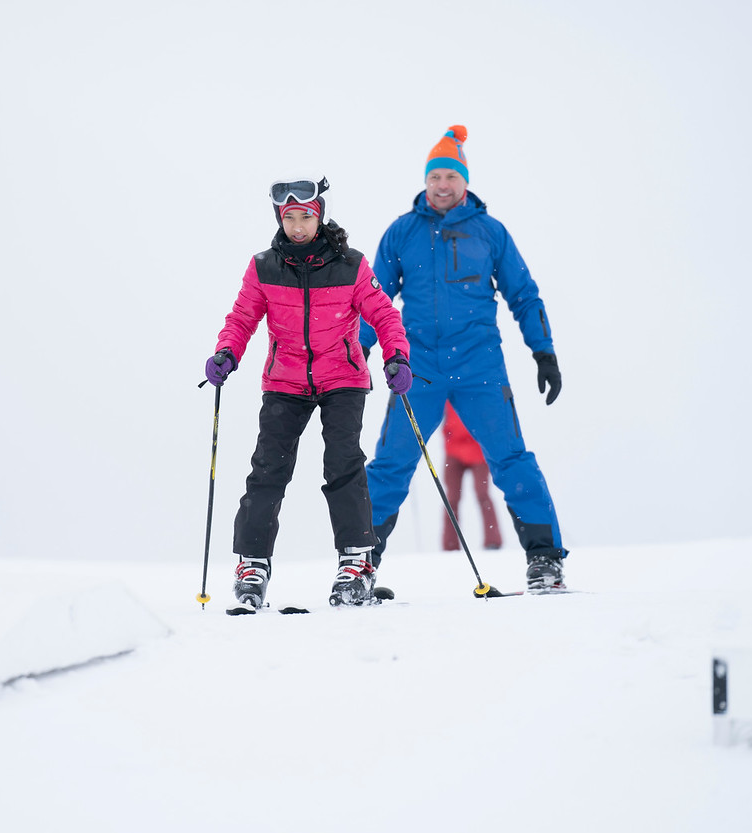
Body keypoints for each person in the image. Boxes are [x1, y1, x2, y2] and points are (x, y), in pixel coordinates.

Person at [359, 126, 568, 591]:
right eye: (436, 176)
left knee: (511, 460)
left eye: (452, 176)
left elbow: (524, 295)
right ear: (426, 180)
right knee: (391, 463)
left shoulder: (490, 233)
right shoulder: (402, 233)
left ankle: (545, 559)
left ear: (465, 182)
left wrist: (544, 351)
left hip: (480, 368)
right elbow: (373, 298)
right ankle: (360, 563)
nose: (443, 184)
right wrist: (360, 350)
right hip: (420, 372)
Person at [204, 177, 412, 610]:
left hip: (343, 378)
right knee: (267, 471)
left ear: (320, 217)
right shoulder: (264, 267)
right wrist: (227, 352)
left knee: (343, 465)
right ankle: (252, 565)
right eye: (290, 218)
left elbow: (385, 316)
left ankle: (356, 564)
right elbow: (242, 317)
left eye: (306, 217)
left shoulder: (351, 265)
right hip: (286, 381)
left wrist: (397, 357)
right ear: (280, 219)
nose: (298, 227)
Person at [440, 401, 502, 552]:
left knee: (482, 494)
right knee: (451, 499)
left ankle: (493, 541)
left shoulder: (475, 390)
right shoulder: (447, 394)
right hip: (453, 451)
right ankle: (450, 545)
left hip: (478, 452)